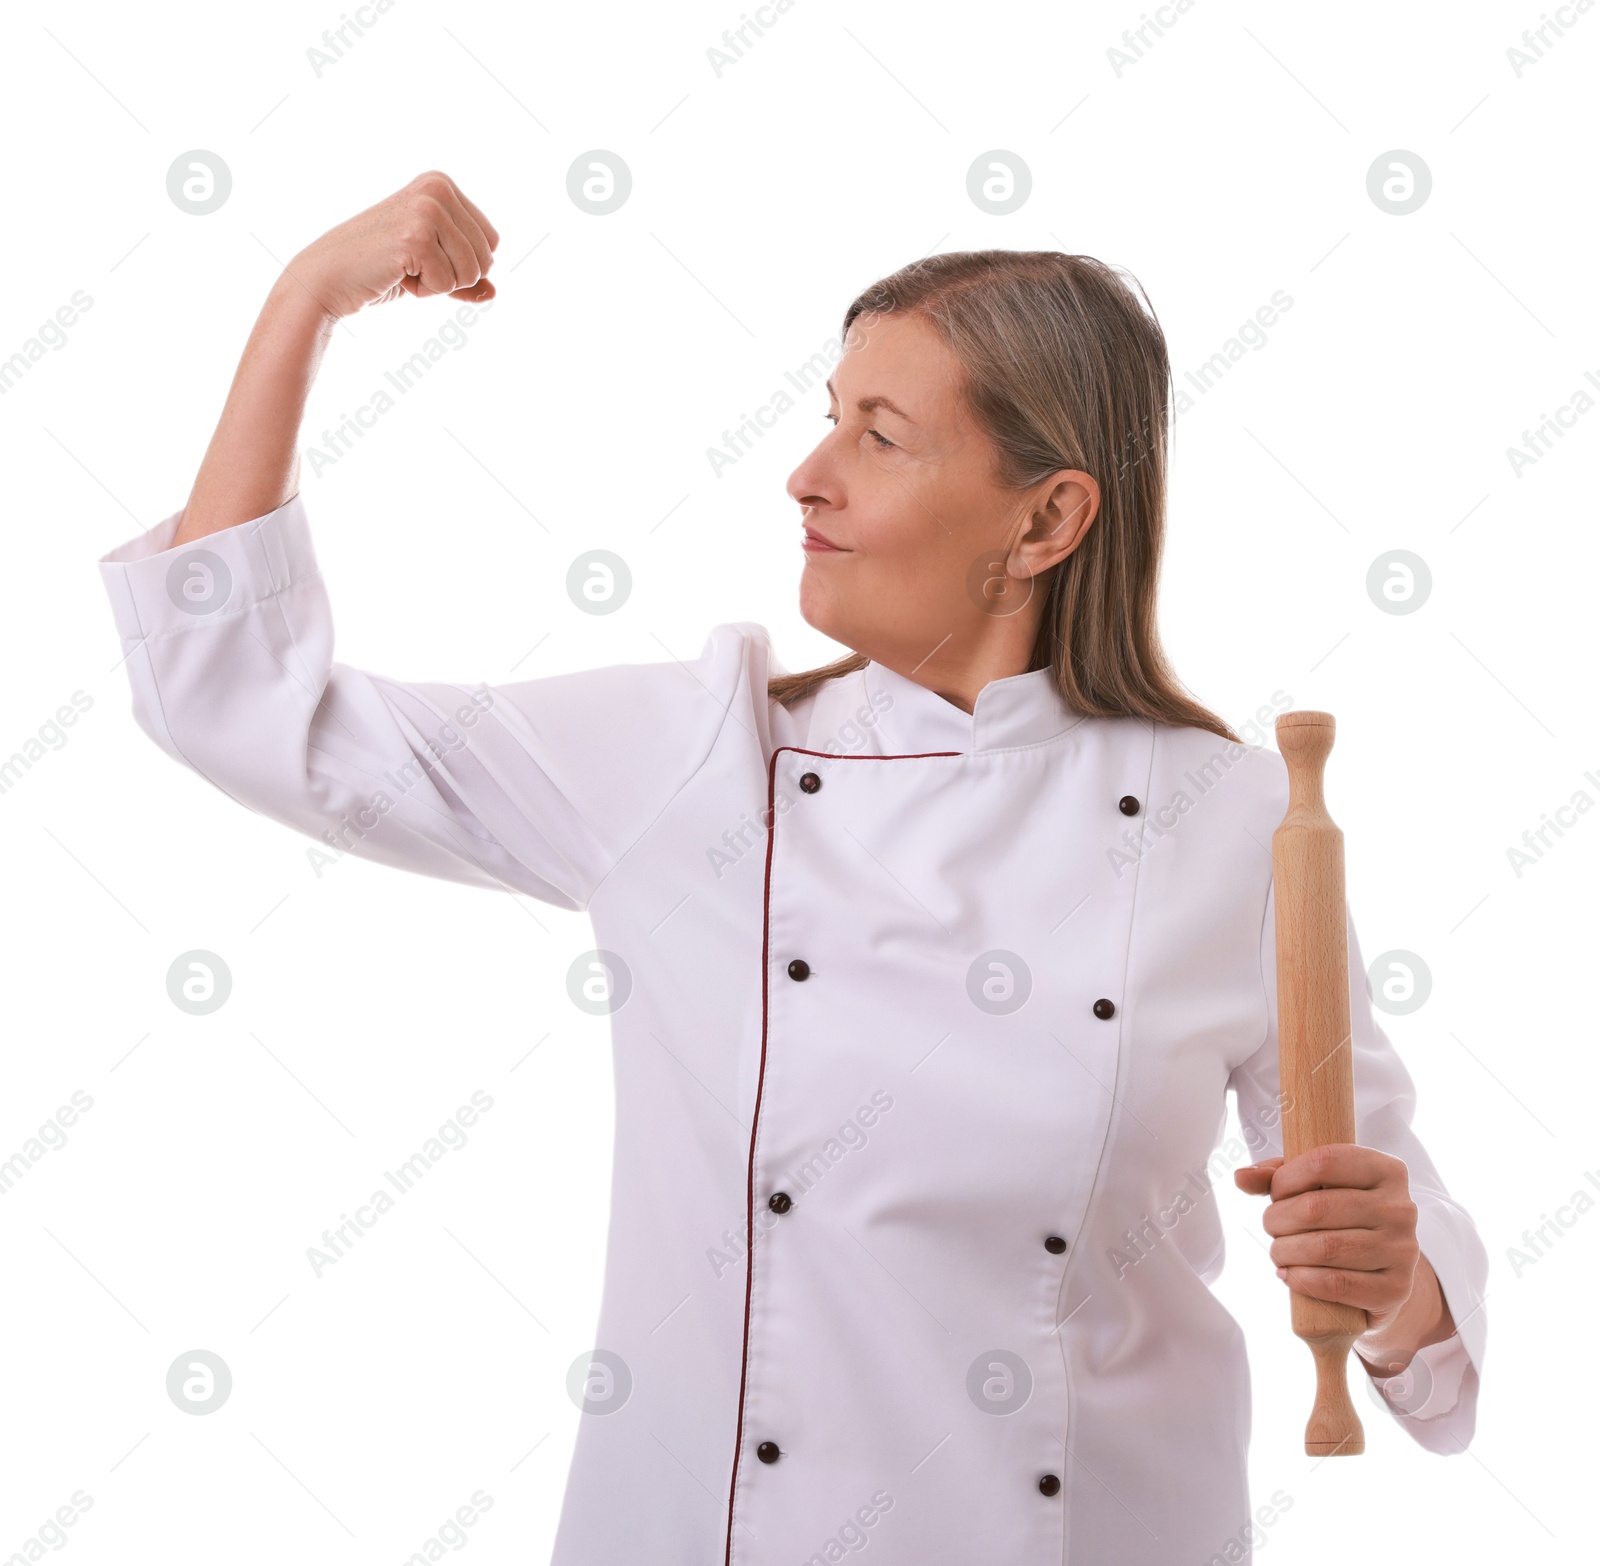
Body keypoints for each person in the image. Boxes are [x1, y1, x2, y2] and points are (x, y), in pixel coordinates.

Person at [96, 171, 1487, 1566]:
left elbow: (1434, 1359)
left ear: (1047, 521)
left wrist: (1392, 1284)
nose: (806, 473)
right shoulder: (695, 760)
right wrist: (305, 303)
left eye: (878, 435)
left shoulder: (1232, 821)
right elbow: (238, 704)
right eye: (830, 417)